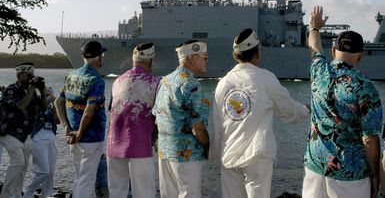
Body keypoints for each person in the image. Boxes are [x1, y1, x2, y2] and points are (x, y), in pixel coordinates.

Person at [211, 28, 309, 198]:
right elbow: (288, 110)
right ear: (257, 54)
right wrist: (305, 110)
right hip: (257, 157)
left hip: (229, 155)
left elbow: (216, 122)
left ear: (236, 55)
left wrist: (216, 152)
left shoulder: (223, 83)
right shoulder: (266, 78)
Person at [302, 6, 382, 198]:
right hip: (349, 175)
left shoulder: (319, 71)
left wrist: (314, 27)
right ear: (361, 55)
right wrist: (375, 174)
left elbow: (315, 48)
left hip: (314, 167)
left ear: (333, 50)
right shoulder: (366, 88)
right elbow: (370, 140)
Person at [152, 40, 210, 198]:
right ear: (192, 57)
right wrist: (207, 146)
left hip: (165, 152)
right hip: (186, 155)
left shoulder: (165, 81)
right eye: (204, 57)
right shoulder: (192, 84)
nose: (207, 60)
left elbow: (157, 117)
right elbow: (197, 128)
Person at [107, 42, 161, 198]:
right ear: (151, 61)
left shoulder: (117, 81)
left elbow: (112, 111)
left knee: (116, 192)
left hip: (113, 144)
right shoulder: (156, 82)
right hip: (140, 144)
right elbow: (160, 115)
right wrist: (155, 138)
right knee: (144, 192)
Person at [54, 40, 107, 198]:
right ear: (99, 57)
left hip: (73, 135)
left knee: (80, 176)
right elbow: (89, 112)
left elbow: (58, 102)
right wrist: (81, 132)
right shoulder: (96, 80)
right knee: (87, 179)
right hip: (91, 137)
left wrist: (66, 127)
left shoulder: (71, 75)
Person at [0, 62, 47, 198]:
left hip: (25, 134)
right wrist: (32, 89)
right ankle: (6, 195)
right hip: (8, 132)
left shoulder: (31, 91)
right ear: (19, 75)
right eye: (28, 75)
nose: (30, 78)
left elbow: (43, 108)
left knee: (23, 166)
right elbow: (21, 106)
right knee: (18, 162)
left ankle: (16, 193)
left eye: (32, 74)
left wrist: (42, 91)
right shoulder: (11, 89)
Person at [24, 86, 59, 198]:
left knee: (50, 171)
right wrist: (47, 98)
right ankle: (28, 191)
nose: (50, 95)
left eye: (50, 93)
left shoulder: (53, 104)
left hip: (51, 136)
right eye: (47, 93)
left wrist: (55, 104)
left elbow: (58, 121)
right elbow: (39, 110)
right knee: (43, 171)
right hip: (38, 137)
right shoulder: (37, 101)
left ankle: (47, 194)